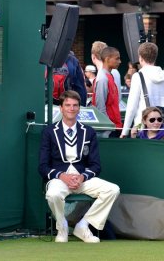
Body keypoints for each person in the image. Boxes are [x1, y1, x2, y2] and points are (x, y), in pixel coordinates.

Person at [39, 90, 120, 243]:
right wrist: (62, 176)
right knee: (53, 194)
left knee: (112, 190)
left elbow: (96, 165)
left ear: (79, 108)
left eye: (75, 105)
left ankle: (83, 226)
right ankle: (62, 226)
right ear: (61, 108)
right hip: (60, 179)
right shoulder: (49, 132)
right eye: (68, 105)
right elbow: (43, 166)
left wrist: (82, 177)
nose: (71, 108)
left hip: (82, 179)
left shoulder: (88, 132)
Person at [120, 42, 164, 138]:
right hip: (161, 125)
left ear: (140, 58)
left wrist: (124, 131)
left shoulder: (138, 76)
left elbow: (132, 106)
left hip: (142, 126)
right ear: (155, 57)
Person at [92, 46, 123, 135]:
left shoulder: (109, 75)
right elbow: (100, 107)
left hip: (114, 126)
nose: (120, 61)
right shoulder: (102, 78)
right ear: (107, 59)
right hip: (108, 129)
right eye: (117, 59)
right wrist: (108, 129)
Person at [91, 41, 122, 105]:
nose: (119, 62)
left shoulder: (102, 76)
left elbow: (100, 106)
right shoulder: (114, 72)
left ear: (93, 56)